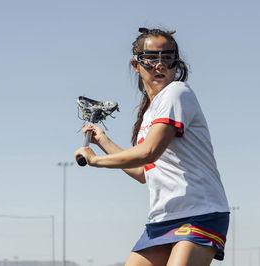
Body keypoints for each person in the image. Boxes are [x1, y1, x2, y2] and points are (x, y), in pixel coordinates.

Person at [75, 27, 230, 266]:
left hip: (200, 212)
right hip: (162, 219)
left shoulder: (177, 92)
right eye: (151, 58)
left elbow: (149, 152)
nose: (160, 65)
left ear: (176, 64)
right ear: (136, 65)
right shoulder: (149, 113)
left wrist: (95, 160)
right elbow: (142, 171)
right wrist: (103, 141)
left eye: (167, 58)